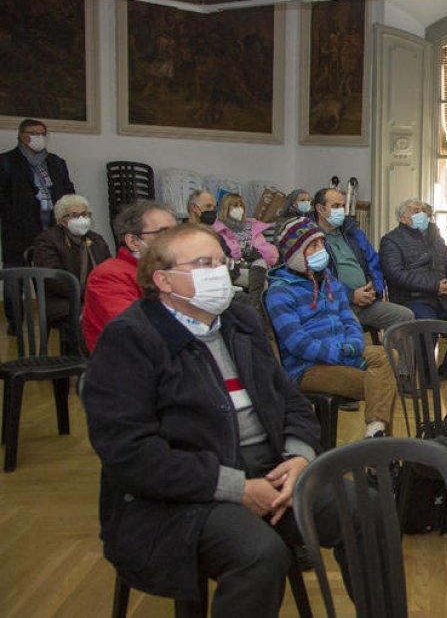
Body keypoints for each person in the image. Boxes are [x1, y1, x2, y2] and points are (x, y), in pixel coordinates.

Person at [82, 223, 349, 617]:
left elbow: (290, 401)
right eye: (204, 263)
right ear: (163, 280)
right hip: (181, 492)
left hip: (271, 470)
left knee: (367, 512)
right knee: (260, 555)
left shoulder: (241, 322)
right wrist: (236, 487)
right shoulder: (131, 338)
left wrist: (299, 458)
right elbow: (130, 453)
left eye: (222, 262)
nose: (220, 272)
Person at [266, 218, 400, 439]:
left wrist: (353, 346)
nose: (322, 250)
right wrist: (342, 352)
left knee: (389, 356)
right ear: (296, 253)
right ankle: (381, 454)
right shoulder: (280, 291)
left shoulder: (329, 281)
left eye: (321, 243)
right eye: (313, 246)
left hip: (341, 353)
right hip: (306, 368)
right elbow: (299, 344)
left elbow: (349, 320)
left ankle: (376, 432)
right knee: (381, 385)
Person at [379, 197, 447, 377]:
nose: (422, 214)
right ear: (403, 218)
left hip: (442, 295)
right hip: (413, 297)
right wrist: (434, 286)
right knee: (428, 326)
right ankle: (427, 374)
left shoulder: (435, 237)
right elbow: (396, 275)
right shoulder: (391, 241)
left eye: (423, 210)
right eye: (415, 211)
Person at [312, 187, 413, 335]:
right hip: (336, 303)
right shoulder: (312, 239)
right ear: (320, 209)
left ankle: (395, 358)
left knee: (405, 316)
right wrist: (351, 295)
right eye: (335, 206)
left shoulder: (353, 233)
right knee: (352, 328)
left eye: (342, 206)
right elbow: (318, 277)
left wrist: (374, 289)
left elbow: (374, 262)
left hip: (366, 300)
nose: (341, 210)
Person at [81, 200, 177, 353]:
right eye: (163, 233)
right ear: (133, 241)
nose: (174, 241)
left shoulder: (174, 270)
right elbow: (135, 329)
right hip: (129, 367)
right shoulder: (108, 275)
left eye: (176, 233)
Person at [30, 195, 112, 353]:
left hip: (95, 296)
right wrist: (89, 293)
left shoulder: (96, 240)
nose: (82, 219)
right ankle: (82, 366)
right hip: (62, 301)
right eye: (75, 215)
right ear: (62, 220)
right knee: (86, 317)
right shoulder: (47, 241)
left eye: (85, 214)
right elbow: (54, 280)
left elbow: (109, 269)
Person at [0, 119, 75, 268]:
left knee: (51, 276)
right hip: (19, 230)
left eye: (42, 134)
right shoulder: (6, 161)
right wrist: (13, 216)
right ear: (21, 135)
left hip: (54, 227)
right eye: (34, 133)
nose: (39, 138)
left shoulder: (56, 162)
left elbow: (68, 191)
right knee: (16, 279)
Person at [211, 193, 279, 268]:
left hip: (256, 268)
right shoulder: (219, 230)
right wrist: (243, 252)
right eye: (235, 206)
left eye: (241, 206)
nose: (239, 209)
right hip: (233, 271)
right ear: (225, 208)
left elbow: (269, 252)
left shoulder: (252, 226)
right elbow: (223, 255)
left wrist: (259, 253)